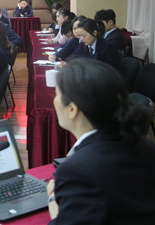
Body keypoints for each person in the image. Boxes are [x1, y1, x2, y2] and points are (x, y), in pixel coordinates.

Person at [47, 59, 155, 224]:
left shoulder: (77, 170)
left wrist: (54, 205)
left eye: (56, 94)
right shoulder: (147, 146)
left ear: (72, 110)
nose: (54, 100)